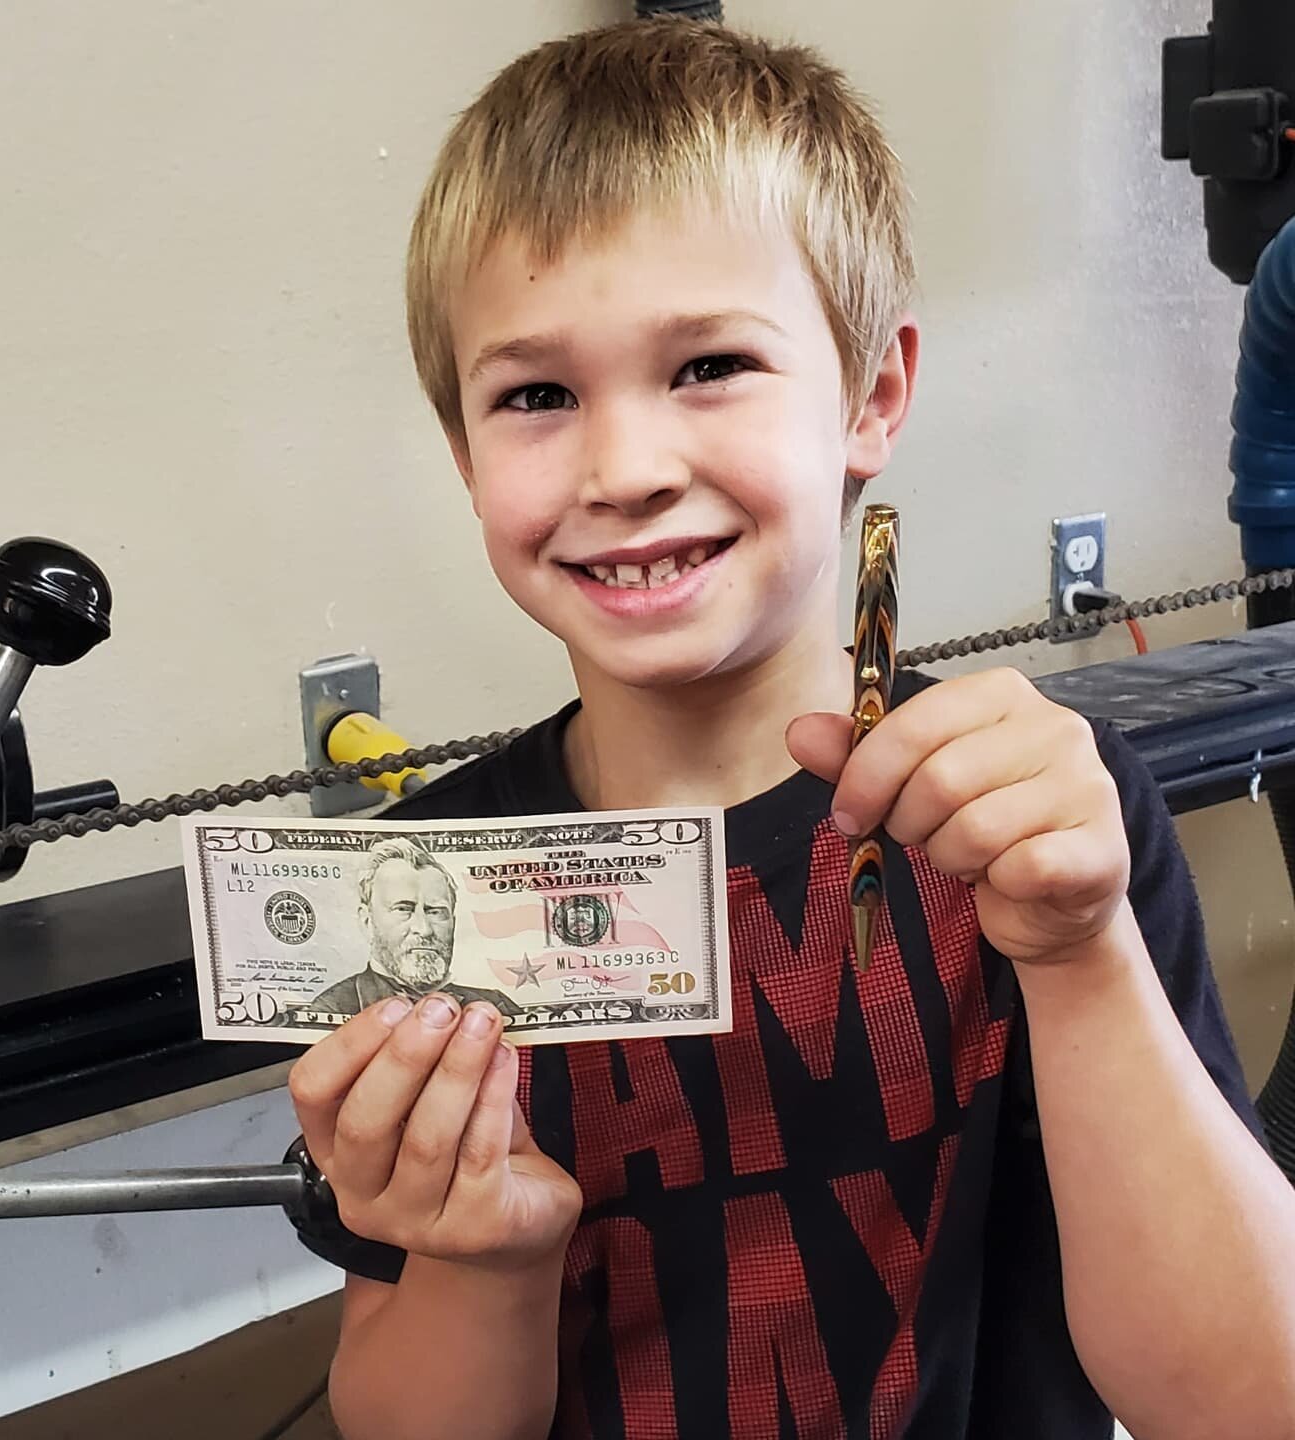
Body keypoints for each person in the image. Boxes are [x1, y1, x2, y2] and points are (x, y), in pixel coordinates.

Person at [286, 17, 1295, 1440]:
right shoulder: (424, 893)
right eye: (535, 395)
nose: (626, 468)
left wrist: (1078, 956)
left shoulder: (1048, 836)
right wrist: (480, 1253)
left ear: (871, 393)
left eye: (708, 365)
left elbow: (1250, 1399)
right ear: (464, 452)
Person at [305, 836, 522, 1018]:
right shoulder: (330, 1008)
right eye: (403, 909)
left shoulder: (498, 1005)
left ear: (453, 923)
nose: (424, 929)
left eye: (435, 911)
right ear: (367, 921)